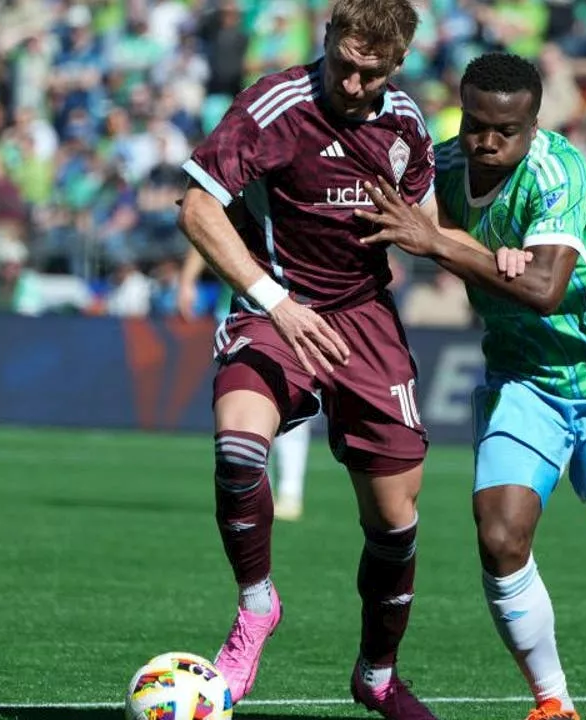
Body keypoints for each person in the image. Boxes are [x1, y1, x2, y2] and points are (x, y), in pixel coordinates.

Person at [357, 53, 586, 720]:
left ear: (534, 126)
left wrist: (438, 243)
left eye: (506, 130)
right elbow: (376, 212)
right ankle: (553, 703)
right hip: (523, 380)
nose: (487, 142)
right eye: (474, 125)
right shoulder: (439, 168)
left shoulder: (558, 172)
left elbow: (544, 290)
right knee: (499, 535)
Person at [175, 1, 480, 716]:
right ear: (328, 41)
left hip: (365, 323)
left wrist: (482, 255)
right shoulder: (275, 106)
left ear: (396, 65)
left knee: (394, 523)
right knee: (239, 451)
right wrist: (273, 301)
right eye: (343, 63)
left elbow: (426, 231)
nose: (351, 82)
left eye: (369, 73)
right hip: (277, 307)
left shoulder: (405, 124)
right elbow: (196, 208)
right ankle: (256, 607)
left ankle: (377, 674)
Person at [178, 246, 312, 521]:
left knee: (293, 393)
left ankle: (290, 491)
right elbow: (205, 221)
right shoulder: (242, 202)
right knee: (249, 400)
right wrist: (187, 280)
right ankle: (263, 488)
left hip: (296, 302)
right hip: (240, 308)